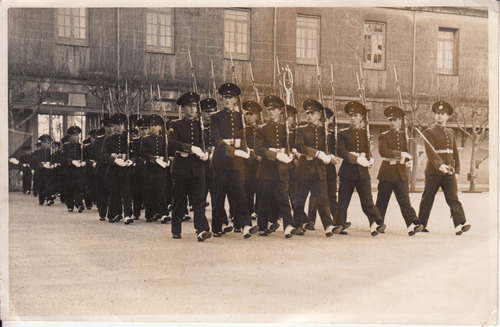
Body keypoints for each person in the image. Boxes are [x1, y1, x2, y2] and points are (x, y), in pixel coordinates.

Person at [210, 83, 259, 238]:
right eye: (225, 97)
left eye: (230, 97)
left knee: (240, 194)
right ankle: (217, 226)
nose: (227, 100)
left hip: (237, 162)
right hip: (221, 161)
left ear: (236, 100)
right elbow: (215, 139)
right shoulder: (216, 117)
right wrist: (231, 150)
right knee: (220, 195)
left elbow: (242, 137)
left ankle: (245, 225)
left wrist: (245, 151)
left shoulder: (241, 117)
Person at [417, 101, 471, 235]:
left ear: (447, 117)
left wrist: (457, 170)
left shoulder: (451, 132)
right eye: (438, 114)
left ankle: (460, 223)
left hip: (449, 172)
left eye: (443, 114)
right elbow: (431, 153)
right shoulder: (429, 132)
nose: (440, 116)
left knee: (453, 198)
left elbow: (454, 153)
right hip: (433, 172)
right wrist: (440, 165)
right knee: (428, 198)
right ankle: (421, 224)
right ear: (435, 116)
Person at [293, 99, 342, 237]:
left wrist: (331, 156)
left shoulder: (325, 132)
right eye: (307, 113)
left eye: (312, 113)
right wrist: (317, 153)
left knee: (322, 199)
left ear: (319, 115)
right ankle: (298, 225)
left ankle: (328, 225)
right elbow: (300, 146)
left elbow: (329, 148)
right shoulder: (301, 129)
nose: (309, 115)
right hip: (303, 170)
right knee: (299, 199)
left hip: (319, 170)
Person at [336, 101, 386, 236]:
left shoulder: (366, 133)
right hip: (347, 171)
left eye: (356, 115)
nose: (353, 118)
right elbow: (341, 151)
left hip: (362, 173)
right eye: (351, 115)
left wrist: (370, 159)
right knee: (343, 200)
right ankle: (340, 224)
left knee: (367, 200)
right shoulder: (343, 133)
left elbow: (368, 151)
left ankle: (375, 222)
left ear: (361, 118)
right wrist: (356, 159)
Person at [168, 92, 212, 241]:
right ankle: (176, 229)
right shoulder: (175, 125)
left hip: (198, 168)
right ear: (183, 108)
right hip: (181, 168)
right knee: (179, 200)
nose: (192, 109)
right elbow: (171, 144)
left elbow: (206, 143)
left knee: (199, 200)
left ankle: (201, 230)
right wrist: (190, 147)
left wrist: (205, 153)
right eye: (189, 106)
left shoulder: (201, 125)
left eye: (194, 106)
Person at [254, 96, 299, 238]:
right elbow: (258, 149)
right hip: (267, 169)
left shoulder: (285, 129)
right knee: (264, 199)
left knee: (283, 198)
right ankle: (262, 226)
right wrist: (275, 154)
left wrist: (290, 154)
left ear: (280, 111)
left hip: (282, 169)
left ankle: (288, 226)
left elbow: (292, 146)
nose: (270, 112)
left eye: (273, 109)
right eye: (268, 109)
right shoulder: (261, 129)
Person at [375, 106, 423, 236]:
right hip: (387, 172)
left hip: (401, 173)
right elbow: (383, 151)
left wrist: (408, 160)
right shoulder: (383, 136)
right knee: (382, 201)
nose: (392, 122)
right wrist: (401, 154)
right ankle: (377, 223)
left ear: (400, 121)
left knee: (404, 201)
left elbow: (408, 153)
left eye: (395, 119)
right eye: (390, 120)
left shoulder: (405, 136)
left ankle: (412, 224)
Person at [307, 107, 338, 229]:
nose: (323, 121)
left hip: (329, 167)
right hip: (317, 165)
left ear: (330, 120)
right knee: (316, 195)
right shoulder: (315, 132)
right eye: (322, 119)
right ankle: (311, 220)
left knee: (331, 194)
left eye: (326, 119)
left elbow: (335, 149)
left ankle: (337, 219)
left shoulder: (331, 134)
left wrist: (333, 157)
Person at [101, 113, 135, 224]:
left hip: (126, 168)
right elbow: (104, 154)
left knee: (127, 192)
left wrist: (132, 161)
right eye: (117, 124)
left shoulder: (128, 138)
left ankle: (128, 215)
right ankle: (115, 214)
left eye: (121, 124)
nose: (120, 127)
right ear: (113, 125)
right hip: (113, 169)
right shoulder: (108, 139)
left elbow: (134, 153)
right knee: (114, 191)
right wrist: (114, 159)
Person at [140, 114, 170, 223]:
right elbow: (143, 154)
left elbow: (166, 152)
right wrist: (153, 158)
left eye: (156, 125)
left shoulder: (163, 140)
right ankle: (150, 213)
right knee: (149, 191)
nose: (153, 127)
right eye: (151, 125)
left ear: (160, 128)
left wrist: (166, 161)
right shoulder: (146, 140)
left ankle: (163, 213)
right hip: (150, 169)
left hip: (161, 170)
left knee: (161, 191)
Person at [60, 126, 88, 213]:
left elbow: (87, 157)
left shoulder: (82, 147)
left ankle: (79, 204)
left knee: (79, 187)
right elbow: (63, 158)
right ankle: (70, 205)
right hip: (69, 170)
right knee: (69, 188)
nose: (75, 137)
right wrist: (71, 161)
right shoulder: (66, 147)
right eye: (73, 135)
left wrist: (84, 162)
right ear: (70, 136)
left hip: (79, 171)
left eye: (77, 135)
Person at [91, 116, 114, 221]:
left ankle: (112, 213)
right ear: (104, 127)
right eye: (108, 127)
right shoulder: (99, 140)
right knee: (103, 191)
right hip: (103, 167)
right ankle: (102, 212)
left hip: (114, 167)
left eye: (112, 126)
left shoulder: (117, 139)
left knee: (113, 191)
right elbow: (96, 154)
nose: (111, 129)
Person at [243, 100, 261, 222]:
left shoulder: (261, 129)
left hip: (260, 164)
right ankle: (249, 211)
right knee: (248, 188)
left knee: (260, 188)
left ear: (256, 115)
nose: (248, 116)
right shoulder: (243, 129)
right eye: (247, 114)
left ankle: (258, 211)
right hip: (247, 163)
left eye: (251, 114)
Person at [131, 116, 149, 220]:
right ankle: (136, 213)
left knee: (149, 192)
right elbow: (135, 155)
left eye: (146, 129)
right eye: (142, 129)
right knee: (137, 192)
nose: (144, 131)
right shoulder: (135, 142)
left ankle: (149, 213)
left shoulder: (151, 141)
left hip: (149, 170)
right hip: (138, 170)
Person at [31, 134, 56, 206]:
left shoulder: (51, 153)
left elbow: (55, 161)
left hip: (49, 171)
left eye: (48, 143)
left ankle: (49, 199)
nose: (46, 144)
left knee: (49, 185)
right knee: (41, 185)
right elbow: (34, 162)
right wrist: (40, 164)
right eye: (44, 142)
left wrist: (52, 164)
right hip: (40, 172)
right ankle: (41, 199)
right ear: (41, 143)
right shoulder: (36, 153)